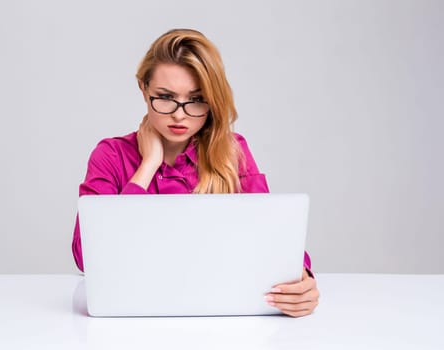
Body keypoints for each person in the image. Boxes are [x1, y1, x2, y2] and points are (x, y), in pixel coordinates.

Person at [72, 29, 319, 317]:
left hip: (218, 314)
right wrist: (148, 164)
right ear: (143, 89)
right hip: (133, 316)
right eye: (164, 97)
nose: (180, 114)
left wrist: (303, 280)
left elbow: (270, 235)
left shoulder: (232, 151)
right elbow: (86, 258)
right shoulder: (111, 155)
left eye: (196, 99)